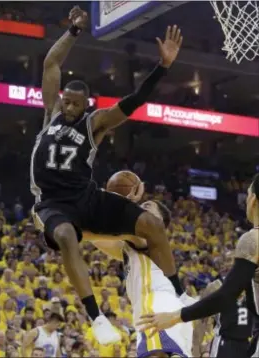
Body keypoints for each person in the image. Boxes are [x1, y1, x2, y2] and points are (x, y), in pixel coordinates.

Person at [30, 5, 182, 345]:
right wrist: (73, 31)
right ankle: (96, 318)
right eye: (65, 101)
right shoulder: (51, 113)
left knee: (148, 223)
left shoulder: (94, 124)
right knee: (68, 236)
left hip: (85, 197)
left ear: (86, 105)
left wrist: (163, 67)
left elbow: (134, 101)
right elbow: (51, 64)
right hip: (53, 204)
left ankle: (180, 291)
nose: (68, 107)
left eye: (74, 104)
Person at [137, 174, 259, 358]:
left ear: (254, 200)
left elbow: (225, 296)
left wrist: (174, 317)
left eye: (248, 193)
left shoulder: (253, 239)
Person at [86, 200, 195, 357]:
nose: (140, 210)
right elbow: (95, 236)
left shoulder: (150, 236)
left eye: (147, 207)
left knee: (154, 354)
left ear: (159, 222)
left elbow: (114, 229)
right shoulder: (129, 247)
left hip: (155, 302)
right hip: (167, 307)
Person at [209, 252, 253, 358]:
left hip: (245, 344)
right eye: (228, 260)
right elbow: (202, 323)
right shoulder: (215, 286)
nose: (230, 263)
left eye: (234, 260)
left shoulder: (252, 286)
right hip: (225, 342)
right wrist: (201, 350)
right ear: (223, 264)